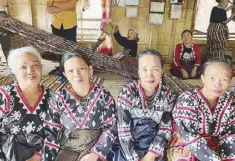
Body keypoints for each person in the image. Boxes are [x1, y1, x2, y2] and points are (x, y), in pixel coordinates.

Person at [42, 51, 117, 161]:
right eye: (70, 71)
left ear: (90, 70)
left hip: (95, 147)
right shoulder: (59, 97)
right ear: (65, 75)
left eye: (81, 69)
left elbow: (111, 127)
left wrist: (96, 154)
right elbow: (51, 131)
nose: (76, 74)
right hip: (67, 148)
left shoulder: (103, 95)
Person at [168, 58, 235, 161]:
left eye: (224, 79)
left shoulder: (228, 101)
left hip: (214, 143)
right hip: (185, 143)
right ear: (203, 78)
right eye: (212, 78)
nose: (218, 84)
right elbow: (189, 136)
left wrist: (229, 158)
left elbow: (229, 135)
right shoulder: (187, 99)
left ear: (230, 81)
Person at [114, 49, 175, 161]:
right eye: (144, 69)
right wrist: (133, 158)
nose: (149, 75)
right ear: (138, 71)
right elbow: (123, 130)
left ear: (162, 71)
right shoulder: (128, 92)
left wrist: (151, 155)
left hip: (154, 145)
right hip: (129, 145)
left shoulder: (167, 95)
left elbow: (165, 127)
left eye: (155, 70)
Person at [0, 46, 53, 161]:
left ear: (41, 68)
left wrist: (37, 157)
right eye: (23, 67)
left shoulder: (53, 98)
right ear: (14, 73)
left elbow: (56, 133)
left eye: (35, 65)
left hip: (43, 156)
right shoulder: (4, 95)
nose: (30, 71)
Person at [47, 0, 78, 83]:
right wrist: (65, 7)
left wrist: (55, 4)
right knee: (58, 49)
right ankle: (61, 69)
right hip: (56, 25)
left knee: (70, 50)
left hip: (70, 25)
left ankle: (70, 72)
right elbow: (49, 10)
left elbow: (70, 5)